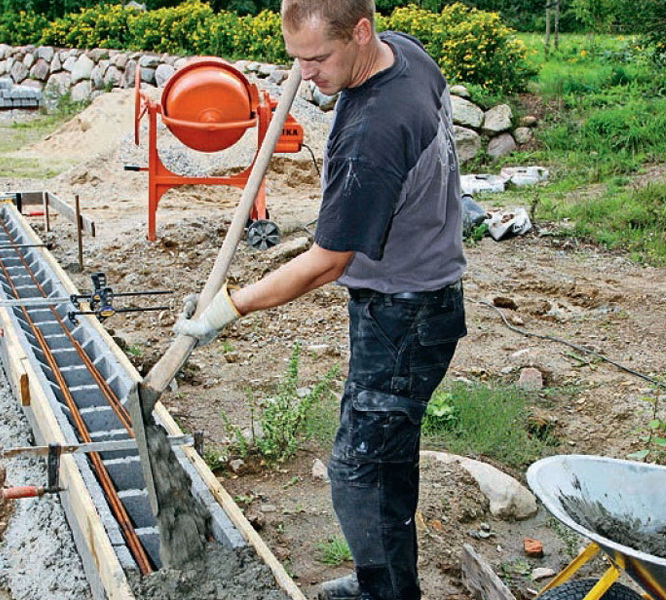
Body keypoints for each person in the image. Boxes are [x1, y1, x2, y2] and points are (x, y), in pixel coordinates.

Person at [175, 1, 467, 598]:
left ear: (361, 32)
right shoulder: (403, 54)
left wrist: (227, 307)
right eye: (296, 58)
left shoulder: (373, 133)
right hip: (423, 294)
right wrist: (316, 55)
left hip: (404, 318)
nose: (305, 74)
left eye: (318, 58)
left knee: (360, 473)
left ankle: (385, 593)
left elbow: (325, 263)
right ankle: (385, 581)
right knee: (386, 461)